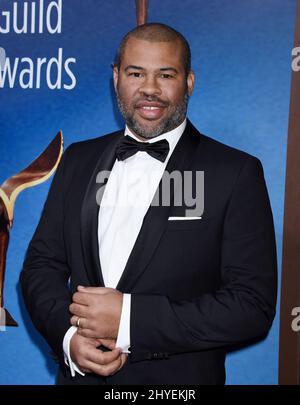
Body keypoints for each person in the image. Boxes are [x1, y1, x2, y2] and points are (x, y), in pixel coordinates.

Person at [20, 23, 277, 385]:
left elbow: (251, 307)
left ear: (188, 81)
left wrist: (129, 319)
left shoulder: (234, 173)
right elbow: (41, 267)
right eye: (136, 73)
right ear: (116, 77)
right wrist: (68, 337)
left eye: (165, 75)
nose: (150, 89)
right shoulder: (79, 159)